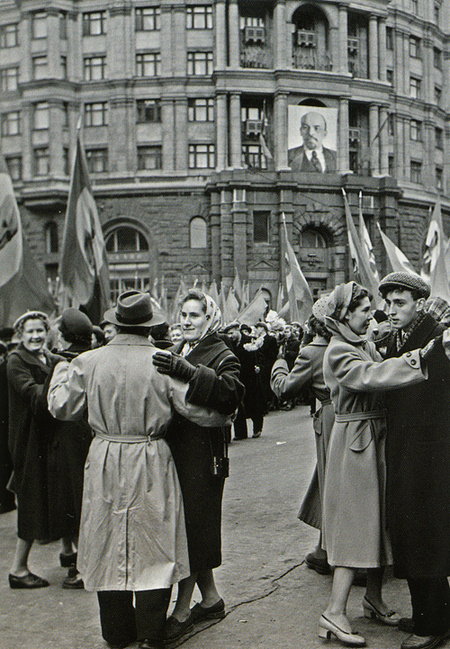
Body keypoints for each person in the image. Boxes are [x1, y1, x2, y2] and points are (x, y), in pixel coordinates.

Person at [48, 291, 233, 649]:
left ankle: (116, 632)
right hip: (150, 457)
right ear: (150, 325)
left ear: (115, 323)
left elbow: (61, 407)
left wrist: (59, 370)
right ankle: (151, 631)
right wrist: (226, 415)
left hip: (105, 457)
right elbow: (196, 410)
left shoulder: (88, 362)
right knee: (155, 543)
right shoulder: (161, 361)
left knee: (107, 540)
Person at [319, 282, 436, 648]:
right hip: (356, 442)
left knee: (377, 524)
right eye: (365, 310)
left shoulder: (360, 342)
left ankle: (374, 598)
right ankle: (334, 612)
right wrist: (419, 358)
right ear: (343, 316)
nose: (374, 315)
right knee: (356, 524)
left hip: (372, 439)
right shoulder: (339, 351)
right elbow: (371, 376)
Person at [152, 289, 244, 642]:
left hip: (204, 454)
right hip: (178, 450)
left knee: (191, 527)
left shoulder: (222, 353)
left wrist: (192, 372)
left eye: (194, 315)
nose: (186, 321)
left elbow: (232, 394)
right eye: (184, 315)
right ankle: (211, 598)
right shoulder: (178, 351)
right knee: (192, 525)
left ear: (210, 319)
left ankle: (182, 609)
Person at [378, 272, 450, 649]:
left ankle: (432, 623)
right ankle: (435, 613)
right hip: (407, 448)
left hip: (430, 452)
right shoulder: (398, 337)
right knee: (411, 531)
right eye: (388, 303)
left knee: (426, 534)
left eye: (399, 303)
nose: (390, 310)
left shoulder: (437, 338)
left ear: (419, 304)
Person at [271, 297, 334, 575]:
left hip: (331, 421)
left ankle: (329, 550)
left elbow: (285, 389)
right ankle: (324, 547)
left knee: (329, 481)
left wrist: (279, 364)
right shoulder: (351, 344)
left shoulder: (313, 351)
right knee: (330, 482)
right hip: (350, 418)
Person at [6, 311, 63, 588]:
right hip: (27, 440)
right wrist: (60, 375)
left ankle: (69, 553)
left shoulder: (50, 358)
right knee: (30, 501)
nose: (35, 336)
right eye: (29, 332)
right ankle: (17, 569)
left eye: (40, 331)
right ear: (20, 334)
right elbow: (33, 394)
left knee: (55, 493)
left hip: (46, 438)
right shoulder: (16, 361)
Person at [50, 308, 94, 589]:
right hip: (85, 437)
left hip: (69, 438)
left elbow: (56, 405)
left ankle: (81, 565)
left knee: (74, 500)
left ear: (65, 335)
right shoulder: (91, 358)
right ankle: (75, 557)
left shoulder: (66, 363)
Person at [222, 321, 264, 440]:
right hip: (239, 377)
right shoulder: (230, 344)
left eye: (231, 333)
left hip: (251, 377)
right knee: (239, 405)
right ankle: (241, 433)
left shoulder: (250, 340)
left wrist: (259, 366)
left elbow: (260, 356)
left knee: (254, 403)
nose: (230, 336)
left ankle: (257, 429)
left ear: (237, 330)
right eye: (228, 334)